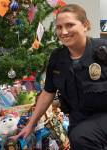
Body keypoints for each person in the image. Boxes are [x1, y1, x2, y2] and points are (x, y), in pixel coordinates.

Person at [10, 4, 107, 150]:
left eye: (70, 25)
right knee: (78, 139)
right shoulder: (57, 58)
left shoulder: (103, 50)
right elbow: (48, 92)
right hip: (78, 120)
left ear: (85, 25)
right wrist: (31, 124)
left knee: (81, 137)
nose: (64, 32)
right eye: (59, 27)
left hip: (103, 116)